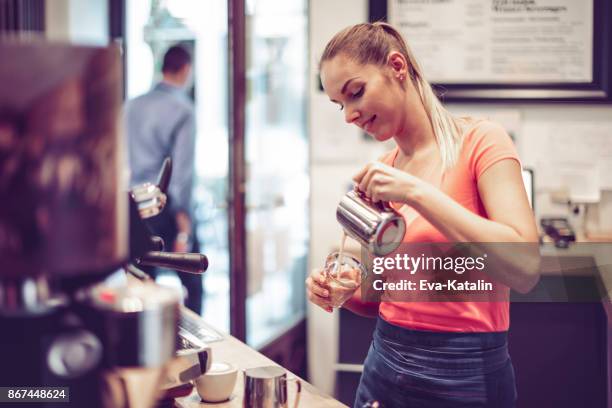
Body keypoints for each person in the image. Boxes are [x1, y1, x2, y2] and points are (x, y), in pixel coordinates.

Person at [306, 22, 540, 408]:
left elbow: (525, 266)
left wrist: (416, 193)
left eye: (356, 93)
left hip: (467, 376)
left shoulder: (482, 142)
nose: (348, 115)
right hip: (383, 367)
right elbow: (382, 295)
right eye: (339, 105)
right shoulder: (384, 169)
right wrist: (347, 291)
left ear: (397, 66)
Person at [126, 44, 203, 315]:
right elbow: (181, 173)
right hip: (165, 208)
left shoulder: (131, 106)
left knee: (141, 284)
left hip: (133, 208)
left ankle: (142, 348)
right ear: (185, 70)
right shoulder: (183, 110)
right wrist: (184, 223)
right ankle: (196, 349)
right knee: (193, 284)